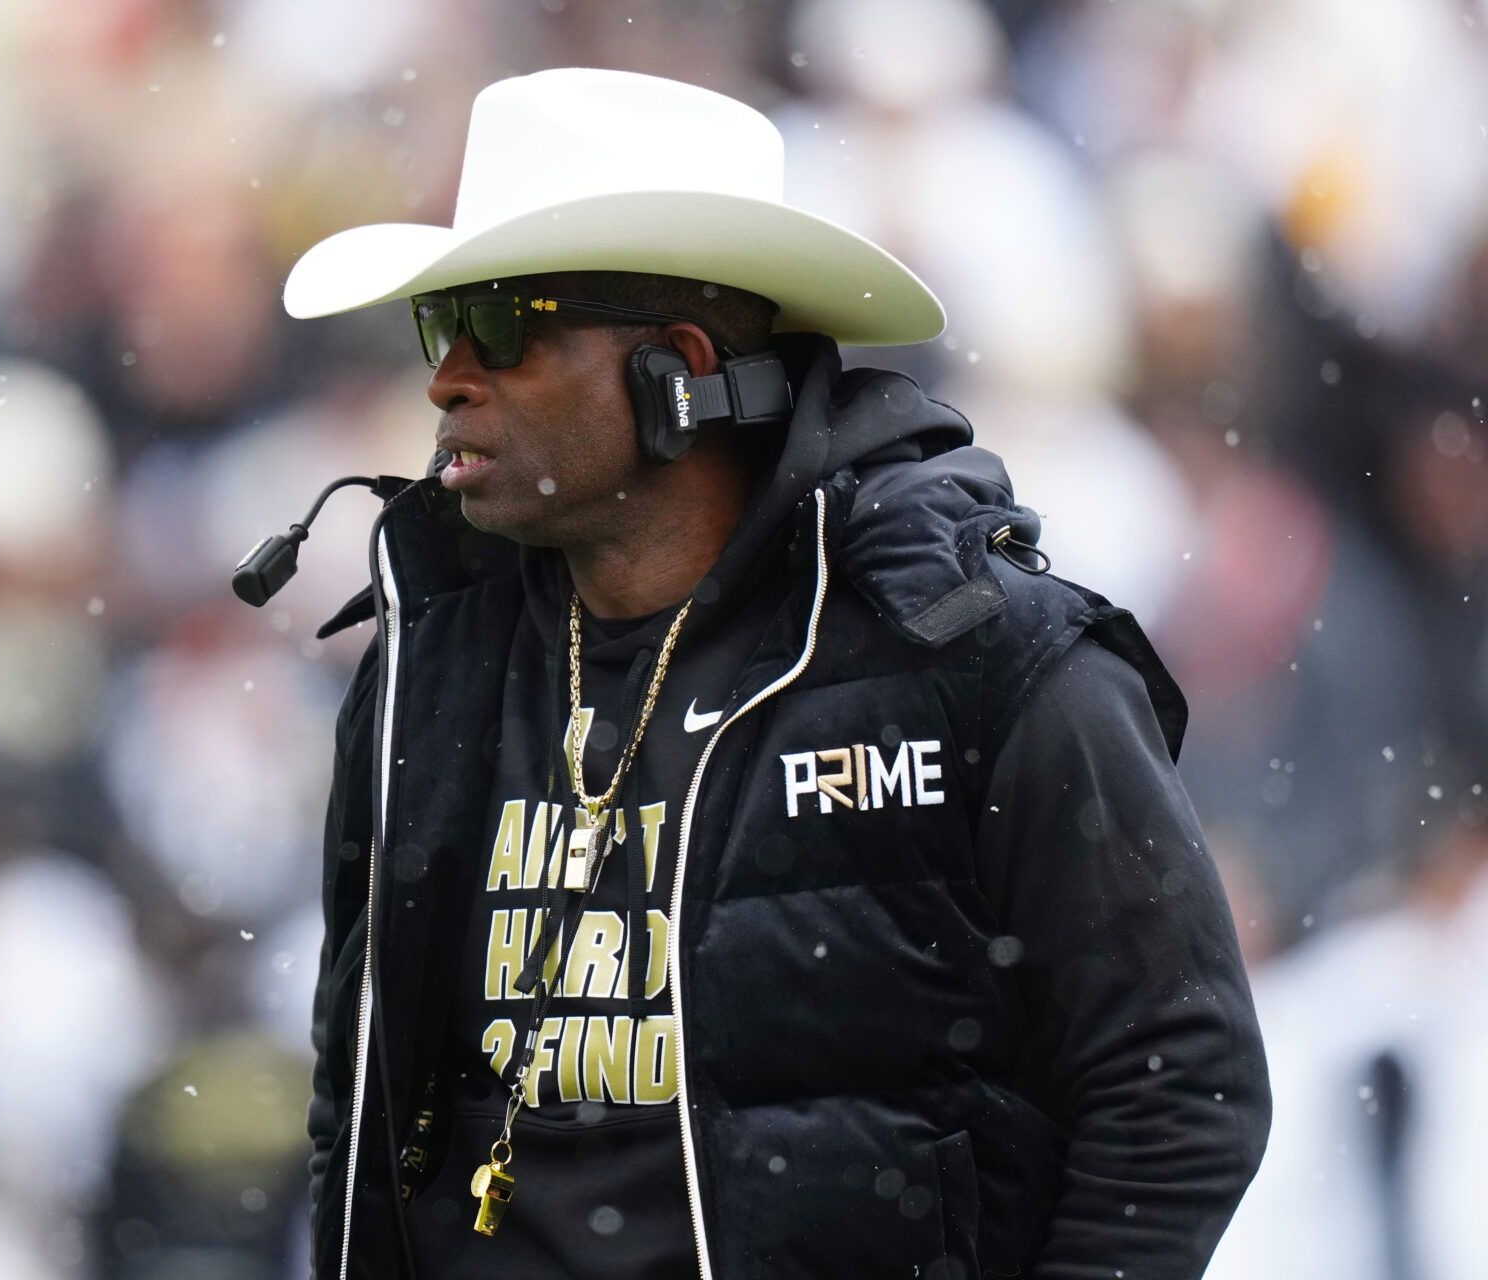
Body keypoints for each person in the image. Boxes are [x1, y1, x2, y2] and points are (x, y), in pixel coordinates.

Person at [269, 68, 1270, 1280]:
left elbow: (1179, 1087)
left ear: (679, 369)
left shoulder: (976, 658)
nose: (448, 376)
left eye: (505, 321)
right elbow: (358, 1104)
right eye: (442, 323)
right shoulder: (424, 668)